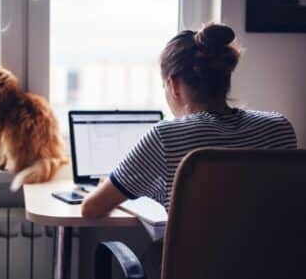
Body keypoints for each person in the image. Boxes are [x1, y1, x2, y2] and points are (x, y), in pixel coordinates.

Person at [81, 22, 297, 219]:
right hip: (272, 261)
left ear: (173, 85)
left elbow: (91, 209)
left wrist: (114, 186)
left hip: (200, 263)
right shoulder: (279, 128)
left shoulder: (165, 137)